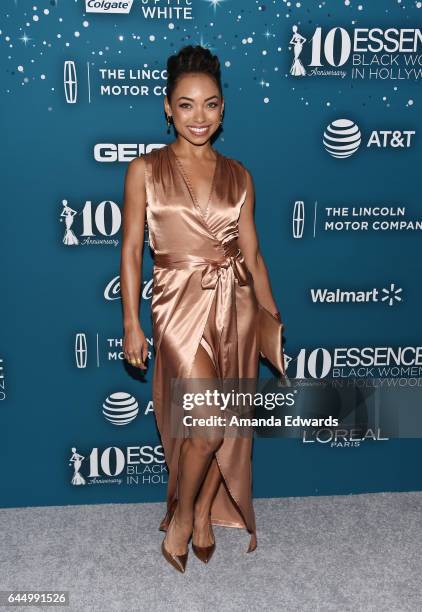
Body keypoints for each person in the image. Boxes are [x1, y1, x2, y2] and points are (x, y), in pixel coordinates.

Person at [120, 45, 282, 573]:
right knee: (208, 425)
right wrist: (130, 322)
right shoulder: (145, 169)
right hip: (177, 304)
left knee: (226, 421)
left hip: (235, 302)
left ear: (222, 108)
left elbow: (253, 255)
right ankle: (185, 514)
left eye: (211, 105)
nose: (199, 117)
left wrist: (270, 318)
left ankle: (205, 515)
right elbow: (130, 251)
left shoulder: (240, 175)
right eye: (186, 105)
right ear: (167, 107)